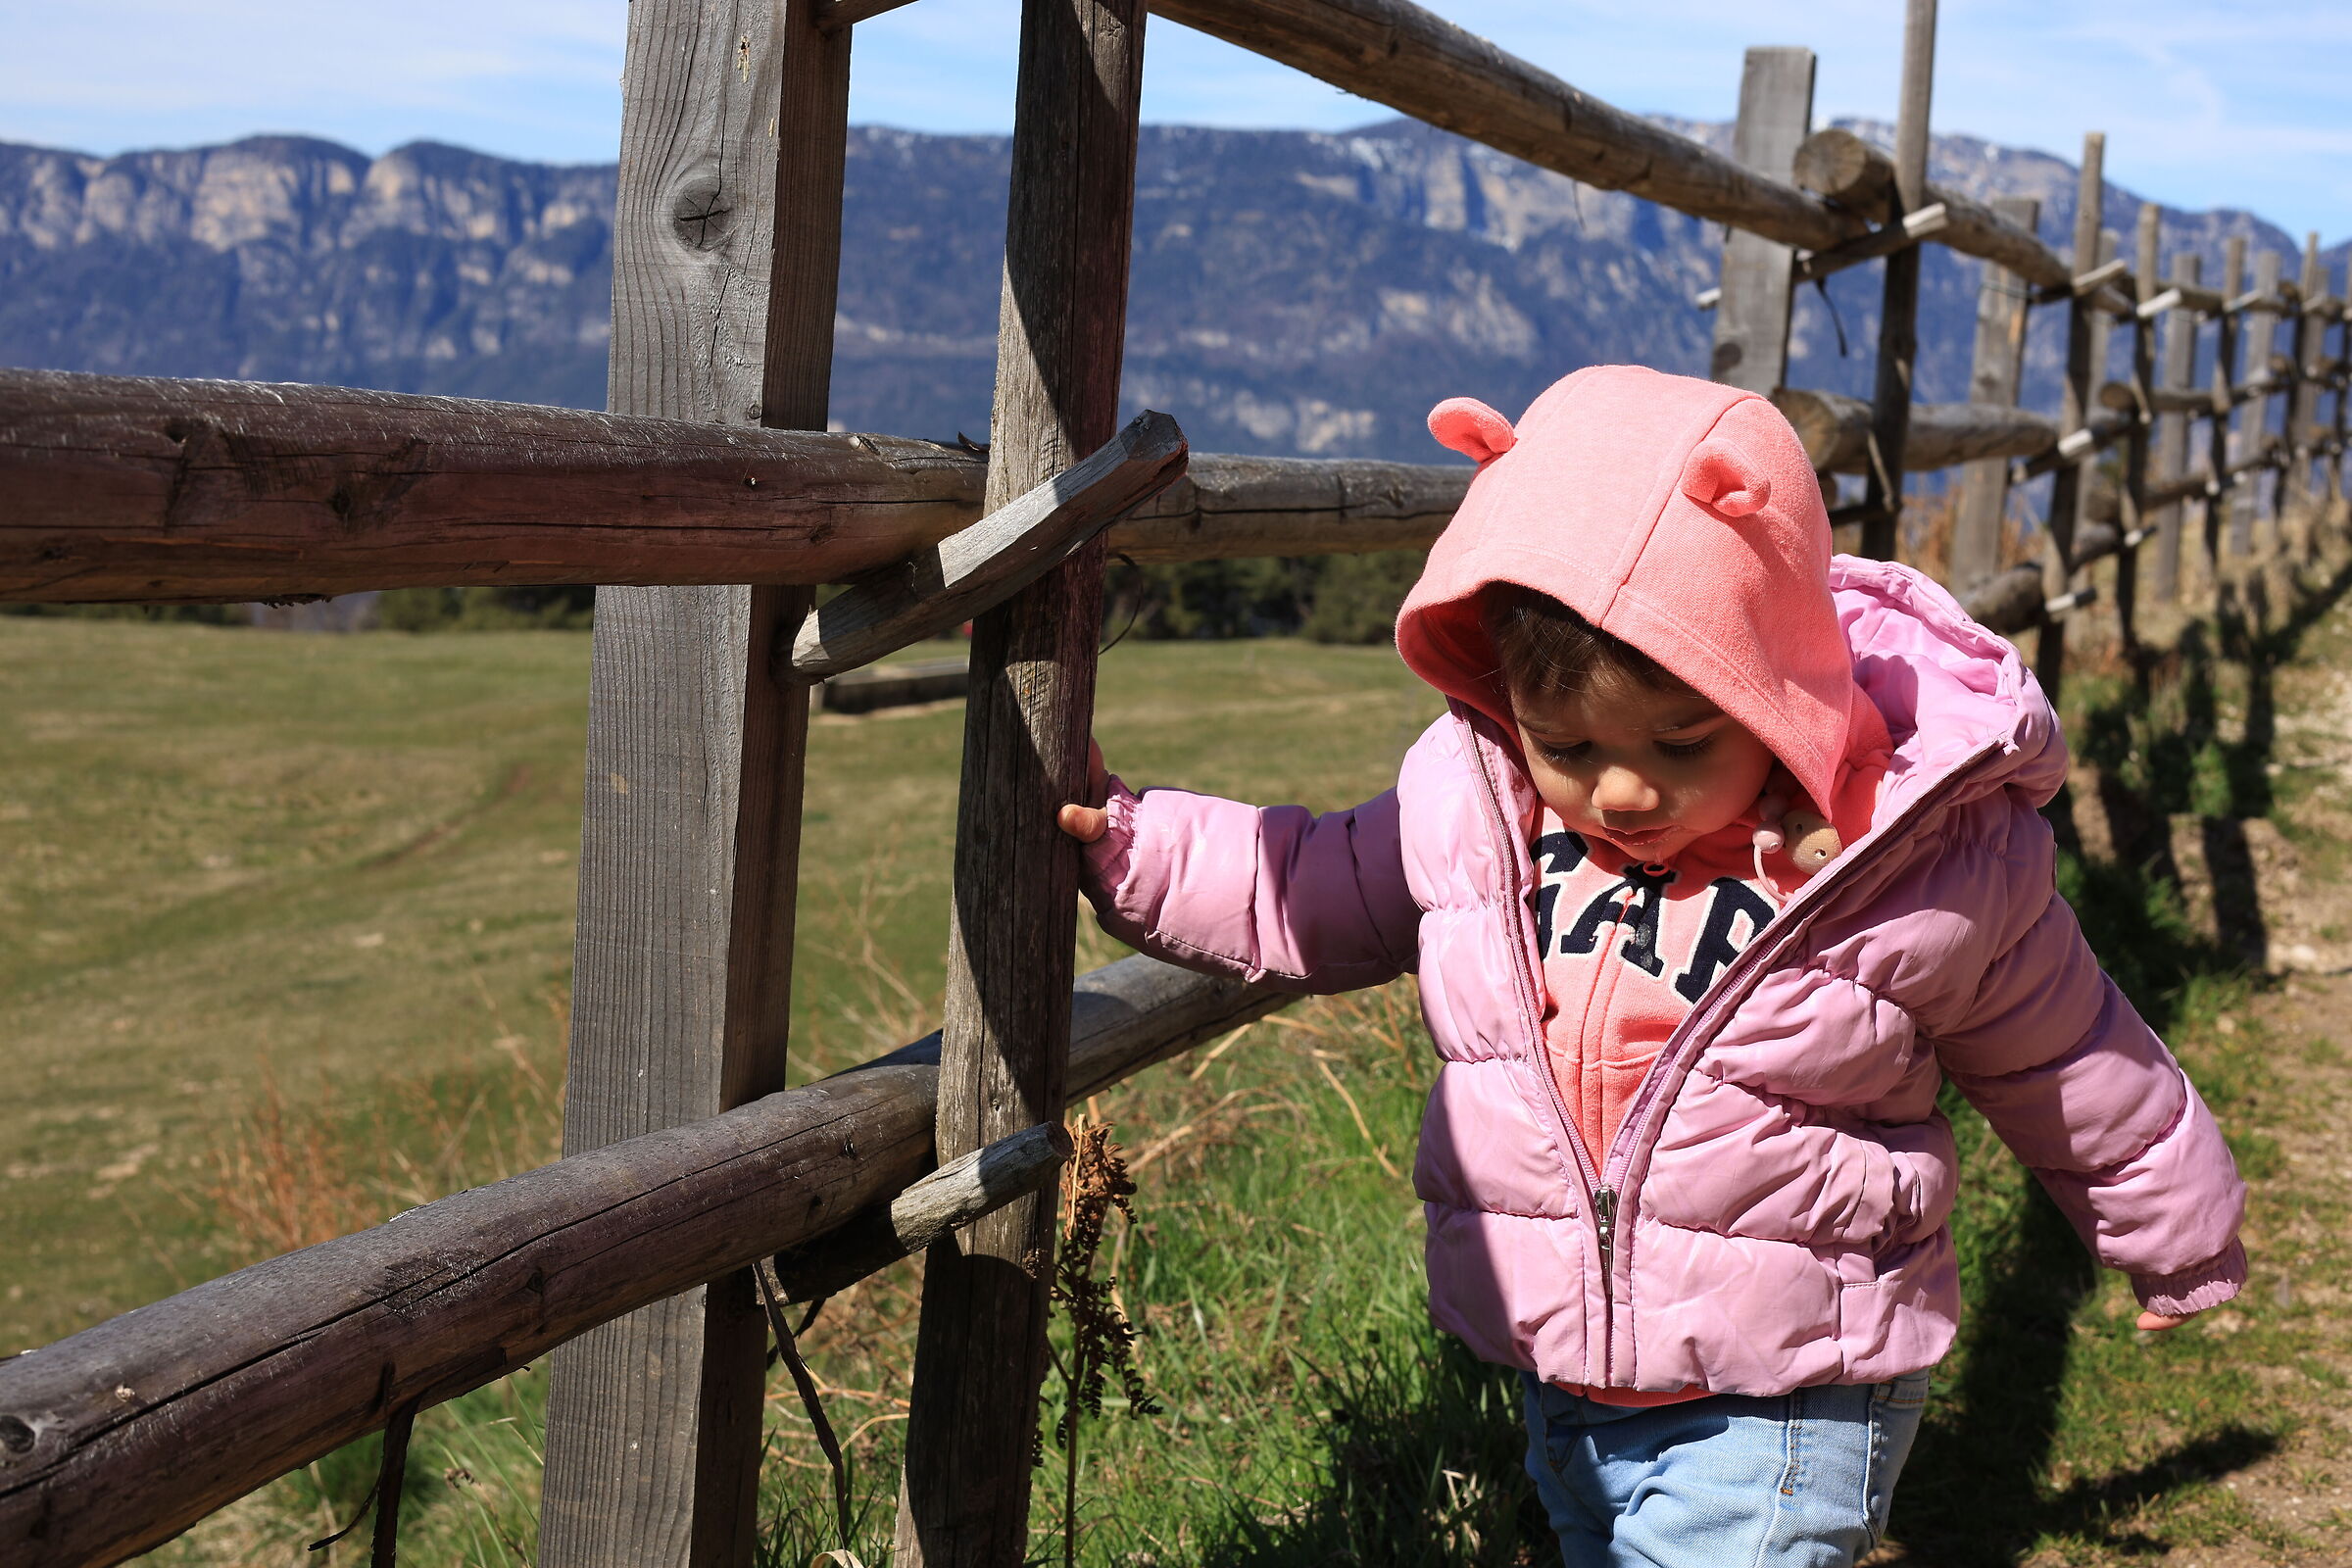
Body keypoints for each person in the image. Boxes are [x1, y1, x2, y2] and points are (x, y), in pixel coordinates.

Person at [1056, 366, 2248, 1566]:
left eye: (1684, 742)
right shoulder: (1481, 810)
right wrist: (1135, 841)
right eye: (1566, 741)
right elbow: (1306, 882)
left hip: (1788, 1385)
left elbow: (2069, 1049)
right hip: (1563, 1372)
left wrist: (2174, 1232)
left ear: (1778, 693)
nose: (1620, 790)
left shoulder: (1914, 858)